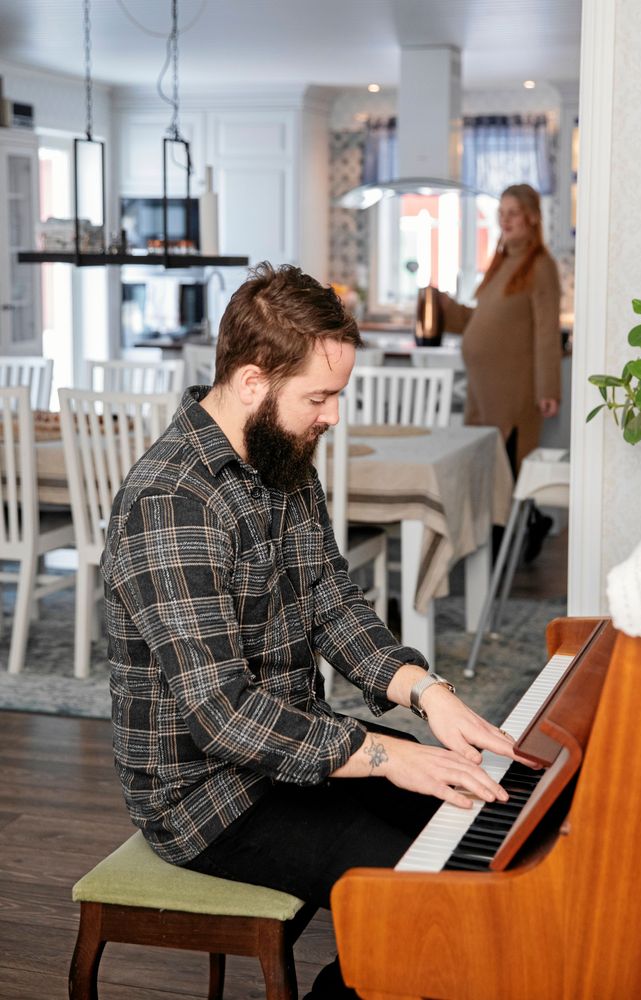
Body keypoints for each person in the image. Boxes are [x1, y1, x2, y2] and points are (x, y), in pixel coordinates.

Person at [101, 262, 524, 999]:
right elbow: (223, 717)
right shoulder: (171, 502)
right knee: (428, 906)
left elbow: (330, 600)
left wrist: (427, 693)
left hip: (294, 752)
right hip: (207, 798)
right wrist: (386, 755)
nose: (332, 415)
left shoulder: (281, 456)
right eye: (319, 397)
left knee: (484, 827)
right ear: (252, 381)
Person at [418, 183, 562, 561]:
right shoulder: (501, 265)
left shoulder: (540, 266)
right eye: (501, 214)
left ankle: (503, 553)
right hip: (484, 390)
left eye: (513, 213)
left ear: (532, 218)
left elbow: (547, 331)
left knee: (506, 469)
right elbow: (477, 322)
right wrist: (444, 305)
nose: (505, 220)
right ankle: (518, 535)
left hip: (514, 392)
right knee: (491, 470)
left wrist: (548, 388)